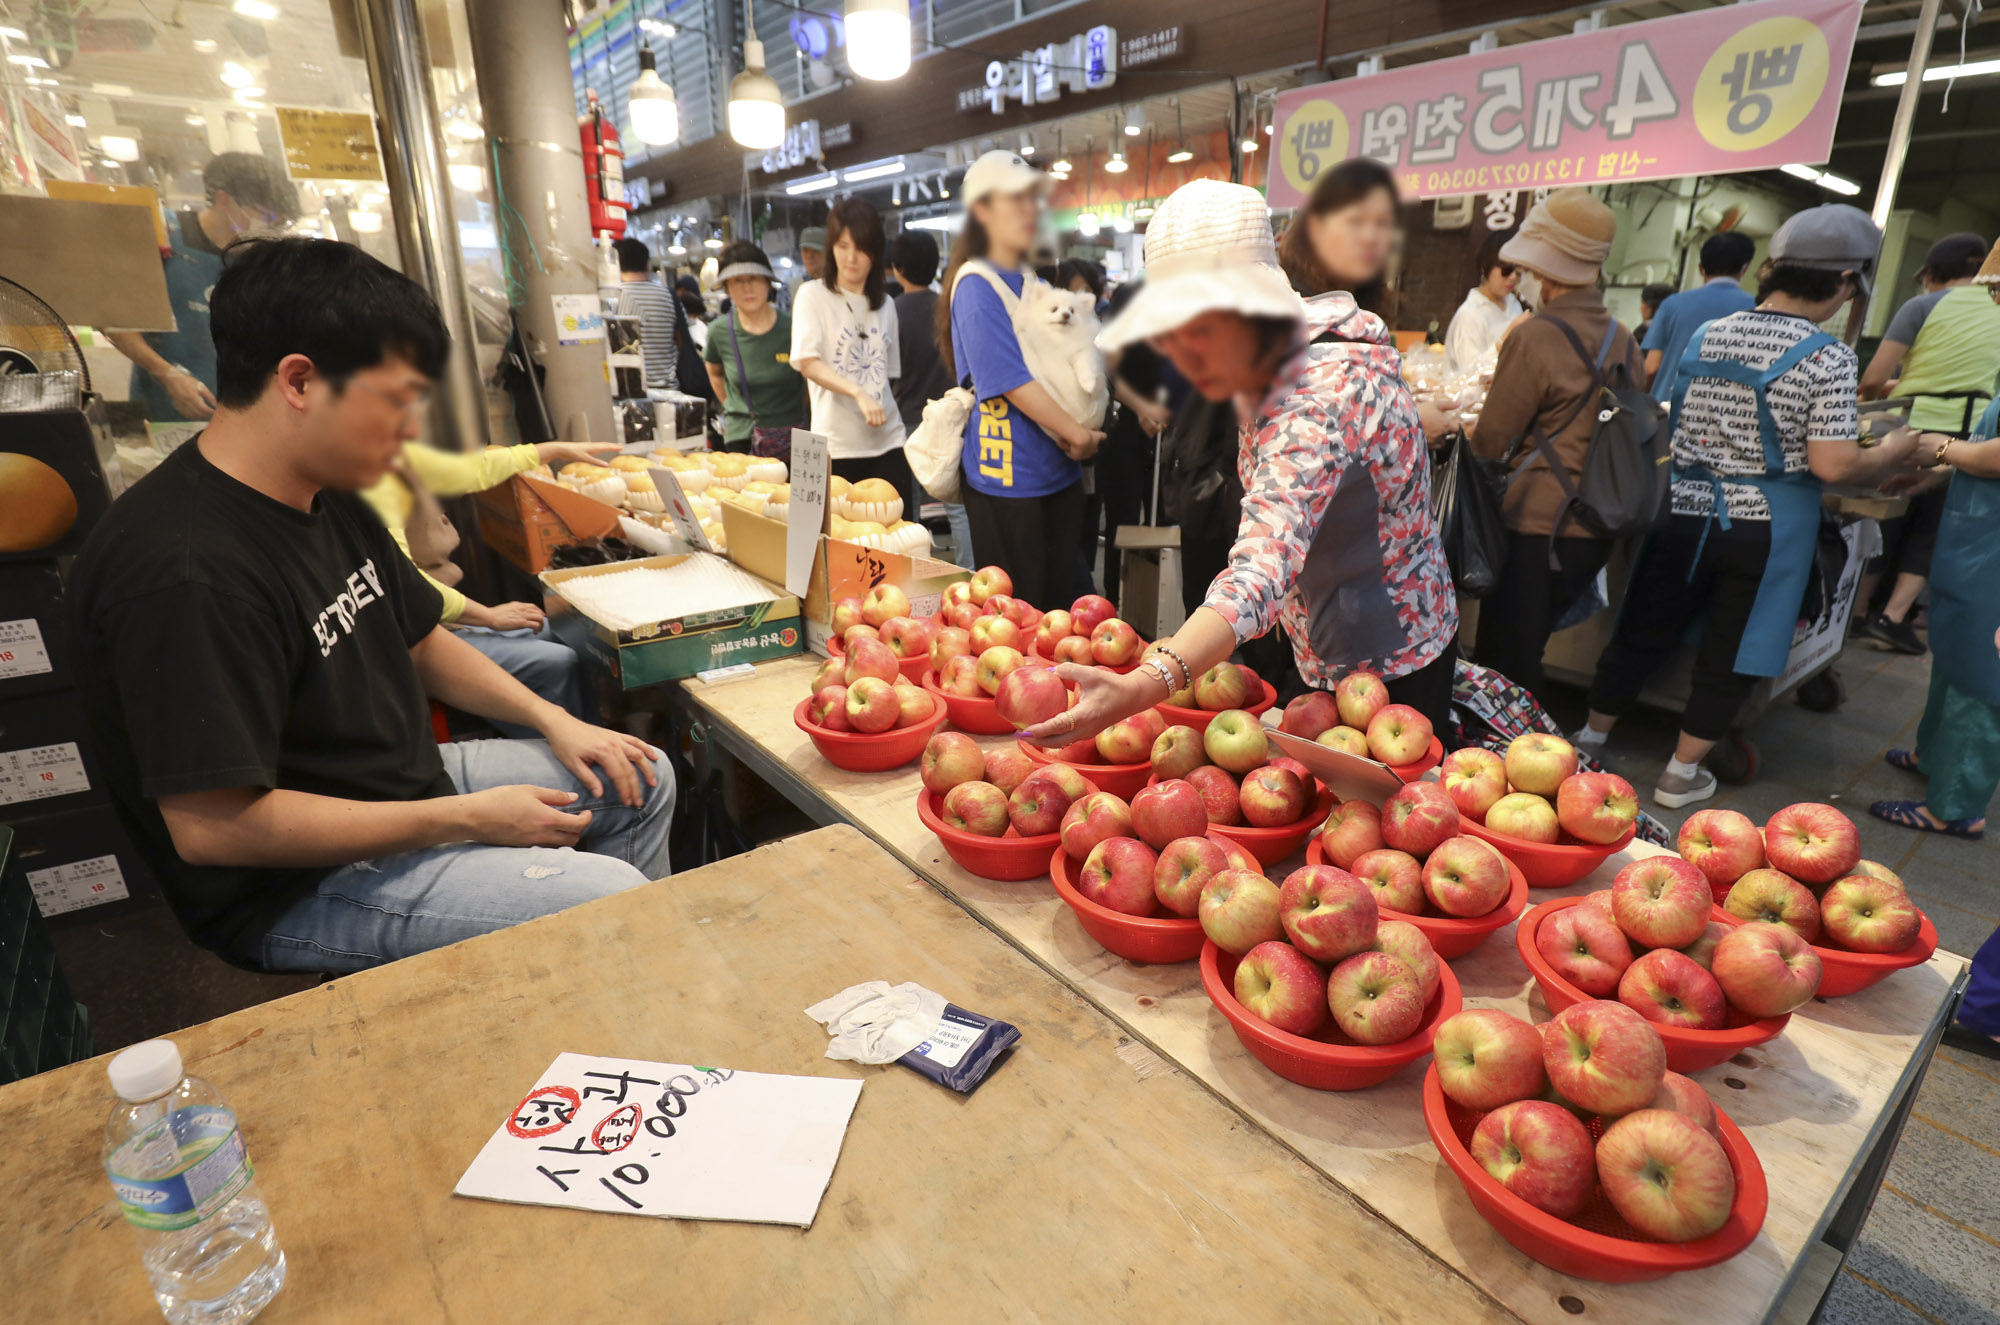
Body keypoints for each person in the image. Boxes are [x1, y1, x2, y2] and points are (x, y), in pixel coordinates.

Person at [68, 237, 672, 975]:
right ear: (300, 381)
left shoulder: (327, 485)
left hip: (402, 785)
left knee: (639, 776)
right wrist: (463, 818)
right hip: (295, 886)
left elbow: (417, 635)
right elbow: (212, 829)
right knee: (606, 894)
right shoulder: (184, 571)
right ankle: (613, 979)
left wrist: (559, 719)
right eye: (397, 400)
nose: (412, 429)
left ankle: (615, 986)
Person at [1022, 180, 1458, 750]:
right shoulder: (1294, 347)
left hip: (1385, 659)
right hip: (1333, 632)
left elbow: (1260, 571)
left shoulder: (1314, 397)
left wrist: (1144, 686)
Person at [1577, 205, 1921, 807]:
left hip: (1681, 509)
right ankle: (1678, 778)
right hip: (1765, 529)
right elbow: (1835, 465)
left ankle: (1589, 742)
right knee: (1732, 650)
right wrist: (1892, 451)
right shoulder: (1829, 357)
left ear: (1771, 271)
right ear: (1845, 283)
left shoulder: (1712, 333)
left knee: (1643, 627)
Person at [1467, 188, 1638, 709]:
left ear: (1548, 269)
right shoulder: (1622, 337)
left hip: (1536, 528)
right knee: (1530, 647)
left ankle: (1514, 755)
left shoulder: (1536, 334)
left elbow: (1492, 439)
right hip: (1595, 525)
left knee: (1507, 658)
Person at [938, 150, 1104, 607]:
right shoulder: (976, 283)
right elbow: (1006, 378)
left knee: (1060, 611)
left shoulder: (1026, 276)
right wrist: (1078, 435)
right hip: (1009, 479)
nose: (1031, 211)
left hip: (1056, 472)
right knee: (1021, 617)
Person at [361, 439, 617, 733]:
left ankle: (595, 739)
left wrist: (551, 450)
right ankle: (562, 755)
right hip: (419, 636)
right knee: (558, 661)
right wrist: (489, 616)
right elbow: (408, 586)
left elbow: (473, 470)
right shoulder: (368, 484)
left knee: (567, 632)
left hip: (444, 618)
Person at [1854, 232, 2000, 655]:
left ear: (1932, 273)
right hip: (1974, 431)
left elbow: (1872, 380)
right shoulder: (1991, 312)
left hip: (1914, 426)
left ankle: (1859, 611)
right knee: (1933, 529)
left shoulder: (1923, 305)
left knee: (1883, 518)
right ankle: (1895, 615)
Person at [1871, 388, 2000, 841]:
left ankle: (1956, 806)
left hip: (1992, 552)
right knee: (1955, 653)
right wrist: (1933, 475)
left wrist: (1943, 447)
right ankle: (1936, 757)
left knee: (1981, 676)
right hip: (1978, 538)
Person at [108, 152, 300, 423]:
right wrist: (167, 375)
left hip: (239, 414)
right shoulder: (162, 232)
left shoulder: (259, 259)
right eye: (266, 216)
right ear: (224, 200)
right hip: (164, 409)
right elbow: (116, 322)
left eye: (278, 222)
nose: (269, 228)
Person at [1276, 158, 1456, 442]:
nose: (1372, 238)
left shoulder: (1358, 310)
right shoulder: (1295, 311)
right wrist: (1412, 422)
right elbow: (1305, 428)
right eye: (1355, 221)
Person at [791, 199, 914, 509]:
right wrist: (858, 392)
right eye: (843, 246)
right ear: (832, 247)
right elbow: (807, 362)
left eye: (861, 248)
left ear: (875, 252)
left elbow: (889, 373)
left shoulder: (886, 304)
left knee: (897, 539)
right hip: (835, 446)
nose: (851, 258)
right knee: (840, 544)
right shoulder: (812, 295)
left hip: (890, 442)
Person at [886, 230, 973, 565]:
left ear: (897, 269)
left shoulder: (891, 312)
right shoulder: (949, 305)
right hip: (951, 414)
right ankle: (968, 573)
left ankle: (915, 573)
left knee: (909, 507)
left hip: (907, 417)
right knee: (957, 506)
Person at [702, 239, 808, 455]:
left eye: (754, 279)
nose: (747, 288)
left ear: (767, 282)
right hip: (744, 438)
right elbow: (714, 373)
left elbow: (809, 380)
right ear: (727, 287)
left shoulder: (795, 326)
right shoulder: (719, 331)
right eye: (738, 281)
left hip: (797, 436)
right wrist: (735, 407)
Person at [1643, 231, 1757, 401]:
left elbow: (1652, 367)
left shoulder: (1672, 304)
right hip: (1726, 414)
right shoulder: (1756, 309)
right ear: (1745, 268)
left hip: (1668, 408)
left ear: (1700, 268)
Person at [1444, 230, 1522, 375]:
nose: (1512, 277)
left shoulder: (1513, 303)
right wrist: (1503, 340)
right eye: (1506, 270)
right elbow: (1469, 373)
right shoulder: (1470, 314)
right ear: (1486, 267)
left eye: (1518, 272)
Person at [612, 236, 678, 391]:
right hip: (670, 390)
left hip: (633, 391)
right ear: (647, 264)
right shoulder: (668, 295)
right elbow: (679, 339)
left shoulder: (613, 296)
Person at [1634, 282, 1675, 348]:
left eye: (1643, 304)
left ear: (1652, 308)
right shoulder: (1678, 331)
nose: (1641, 308)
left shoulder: (1644, 332)